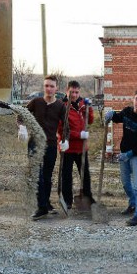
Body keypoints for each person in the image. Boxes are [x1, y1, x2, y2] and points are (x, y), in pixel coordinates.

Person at [105, 89, 137, 226]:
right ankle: (133, 203)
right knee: (126, 183)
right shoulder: (127, 112)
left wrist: (129, 154)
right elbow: (118, 117)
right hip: (124, 154)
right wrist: (111, 114)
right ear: (133, 99)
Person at [25, 75, 67, 220]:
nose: (49, 89)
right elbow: (21, 115)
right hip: (34, 144)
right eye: (46, 86)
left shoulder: (61, 106)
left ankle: (46, 203)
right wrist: (21, 128)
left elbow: (66, 125)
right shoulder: (35, 102)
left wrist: (64, 140)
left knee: (47, 177)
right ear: (44, 87)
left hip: (50, 145)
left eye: (51, 86)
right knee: (38, 176)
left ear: (56, 88)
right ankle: (41, 207)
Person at [58, 80, 94, 209]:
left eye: (76, 92)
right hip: (67, 147)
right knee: (67, 175)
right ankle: (67, 201)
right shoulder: (62, 106)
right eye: (71, 92)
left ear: (80, 92)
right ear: (67, 91)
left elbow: (90, 120)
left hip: (81, 148)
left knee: (85, 174)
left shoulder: (83, 104)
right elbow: (61, 130)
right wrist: (79, 135)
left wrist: (89, 109)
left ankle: (88, 197)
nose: (74, 95)